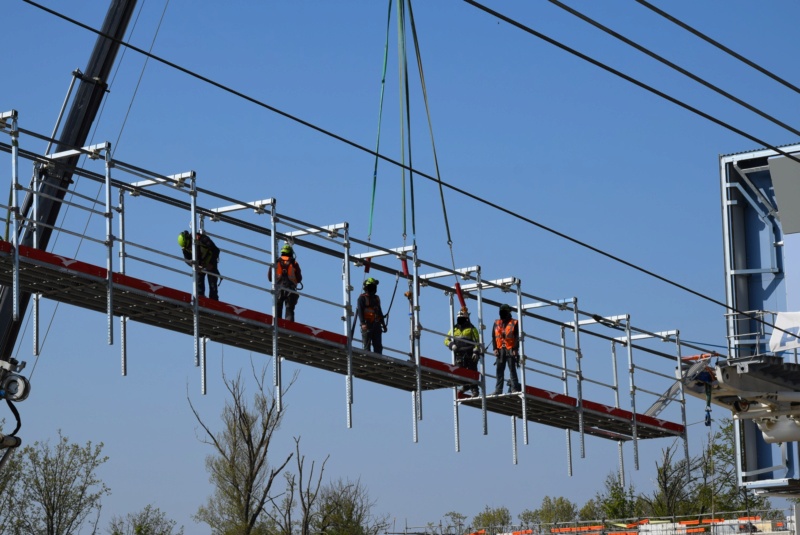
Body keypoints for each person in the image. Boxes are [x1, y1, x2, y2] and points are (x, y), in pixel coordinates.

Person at [445, 307, 481, 397]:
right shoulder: (454, 329)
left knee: (472, 371)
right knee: (460, 372)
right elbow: (446, 340)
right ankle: (466, 386)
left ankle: (474, 389)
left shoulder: (472, 329)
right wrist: (451, 345)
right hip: (459, 354)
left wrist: (475, 352)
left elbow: (477, 342)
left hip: (470, 354)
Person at [178, 230, 220, 300]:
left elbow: (215, 250)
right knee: (199, 282)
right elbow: (187, 260)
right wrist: (195, 266)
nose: (189, 248)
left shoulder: (202, 239)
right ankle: (200, 298)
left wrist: (211, 263)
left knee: (212, 284)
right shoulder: (185, 248)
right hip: (199, 263)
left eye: (189, 246)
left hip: (210, 260)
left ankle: (214, 300)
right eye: (187, 247)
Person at [268, 243, 303, 322]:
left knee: (277, 309)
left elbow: (270, 278)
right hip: (290, 289)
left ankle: (277, 324)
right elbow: (299, 278)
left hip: (278, 289)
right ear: (291, 253)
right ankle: (289, 326)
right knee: (289, 310)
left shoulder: (275, 262)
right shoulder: (294, 263)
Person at [492, 304, 521, 395]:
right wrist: (495, 348)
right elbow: (493, 336)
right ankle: (498, 389)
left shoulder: (514, 322)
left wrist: (515, 349)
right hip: (500, 350)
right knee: (499, 370)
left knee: (512, 369)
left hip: (510, 349)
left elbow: (517, 337)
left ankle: (514, 388)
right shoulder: (497, 323)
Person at [357, 277, 386, 354]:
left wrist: (383, 324)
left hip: (377, 324)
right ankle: (367, 360)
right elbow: (360, 311)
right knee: (367, 346)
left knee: (378, 346)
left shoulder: (376, 298)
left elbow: (379, 311)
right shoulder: (362, 298)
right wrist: (363, 323)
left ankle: (379, 360)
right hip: (367, 324)